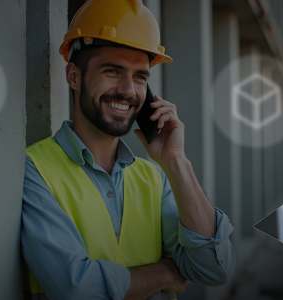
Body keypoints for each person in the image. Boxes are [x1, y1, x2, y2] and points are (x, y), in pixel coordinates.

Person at [20, 0, 233, 299]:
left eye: (140, 77)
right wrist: (166, 272)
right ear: (74, 77)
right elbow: (77, 289)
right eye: (112, 71)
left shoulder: (155, 179)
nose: (128, 90)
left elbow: (213, 268)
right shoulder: (35, 169)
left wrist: (176, 162)